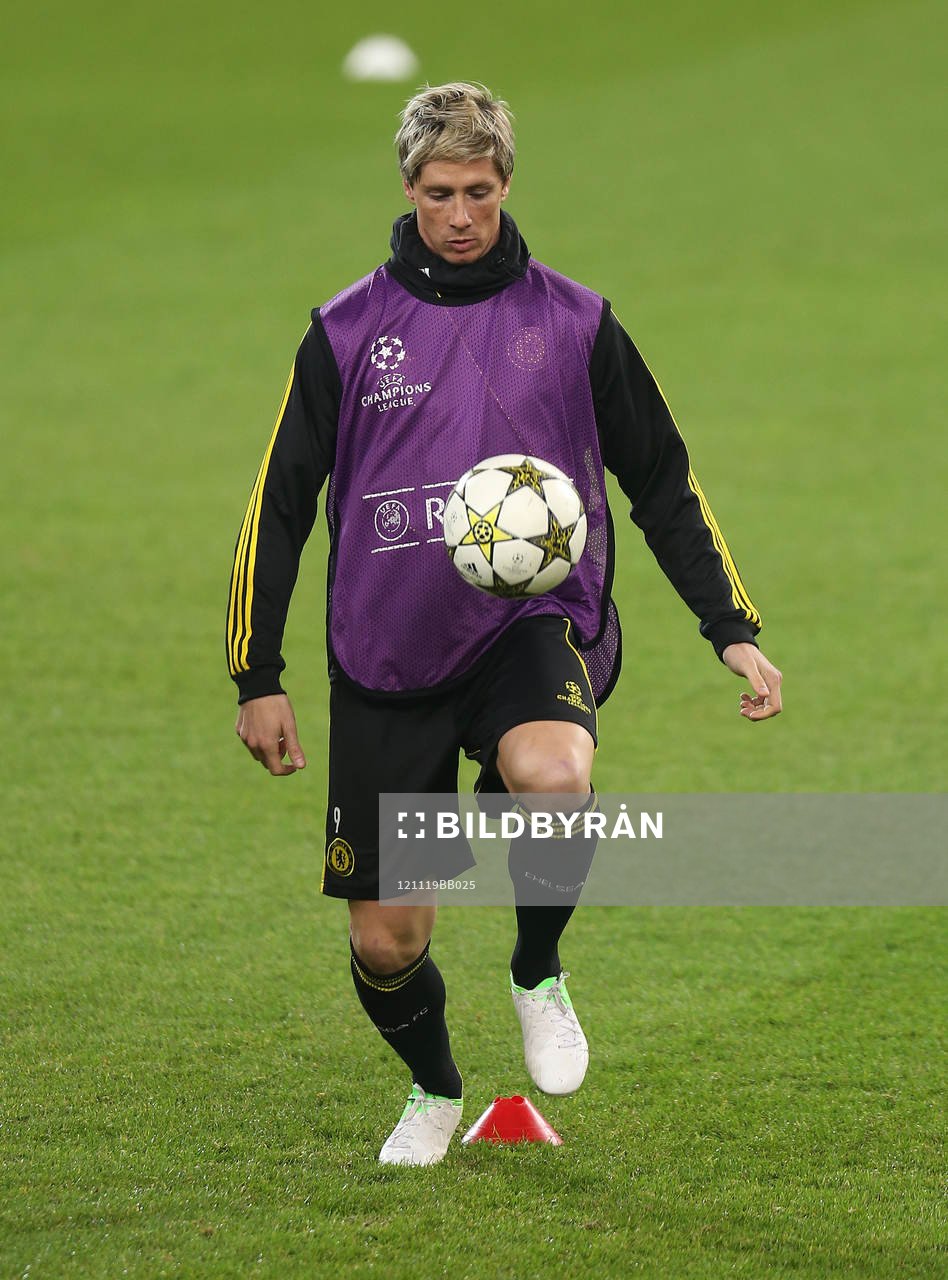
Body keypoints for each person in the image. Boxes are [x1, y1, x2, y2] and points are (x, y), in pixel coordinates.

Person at [226, 83, 782, 1166]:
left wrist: (731, 623)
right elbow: (277, 505)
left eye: (480, 191)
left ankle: (537, 968)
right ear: (409, 190)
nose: (462, 214)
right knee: (391, 938)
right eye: (440, 193)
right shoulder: (346, 332)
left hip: (531, 626)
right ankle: (435, 1089)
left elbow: (662, 478)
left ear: (506, 186)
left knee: (554, 772)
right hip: (388, 653)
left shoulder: (574, 322)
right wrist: (257, 674)